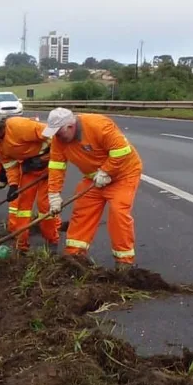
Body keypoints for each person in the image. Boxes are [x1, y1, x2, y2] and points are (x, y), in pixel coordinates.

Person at [41, 108, 143, 271]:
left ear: (70, 126)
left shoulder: (98, 125)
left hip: (123, 175)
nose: (57, 137)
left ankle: (124, 262)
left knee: (118, 212)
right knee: (82, 212)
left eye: (59, 132)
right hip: (93, 179)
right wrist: (54, 195)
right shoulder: (59, 140)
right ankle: (73, 257)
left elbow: (122, 151)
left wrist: (106, 171)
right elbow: (56, 166)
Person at [0, 108, 60, 254]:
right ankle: (22, 246)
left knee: (44, 205)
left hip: (50, 166)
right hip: (29, 169)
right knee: (22, 209)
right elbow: (9, 165)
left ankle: (52, 241)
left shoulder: (17, 126)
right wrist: (13, 185)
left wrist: (45, 158)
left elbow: (54, 135)